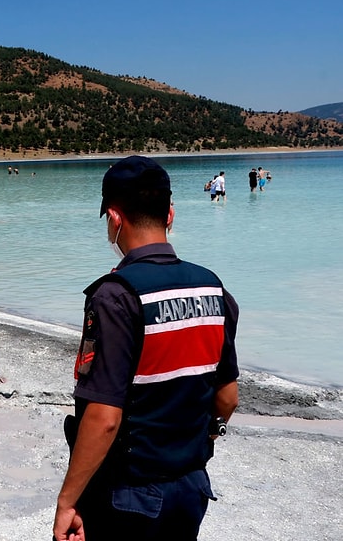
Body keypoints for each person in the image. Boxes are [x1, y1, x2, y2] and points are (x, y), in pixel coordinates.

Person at [53, 156, 240, 541]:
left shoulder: (116, 297)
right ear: (170, 214)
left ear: (114, 219)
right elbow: (227, 398)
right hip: (191, 489)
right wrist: (205, 437)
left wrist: (67, 501)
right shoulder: (213, 288)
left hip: (129, 496)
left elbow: (105, 417)